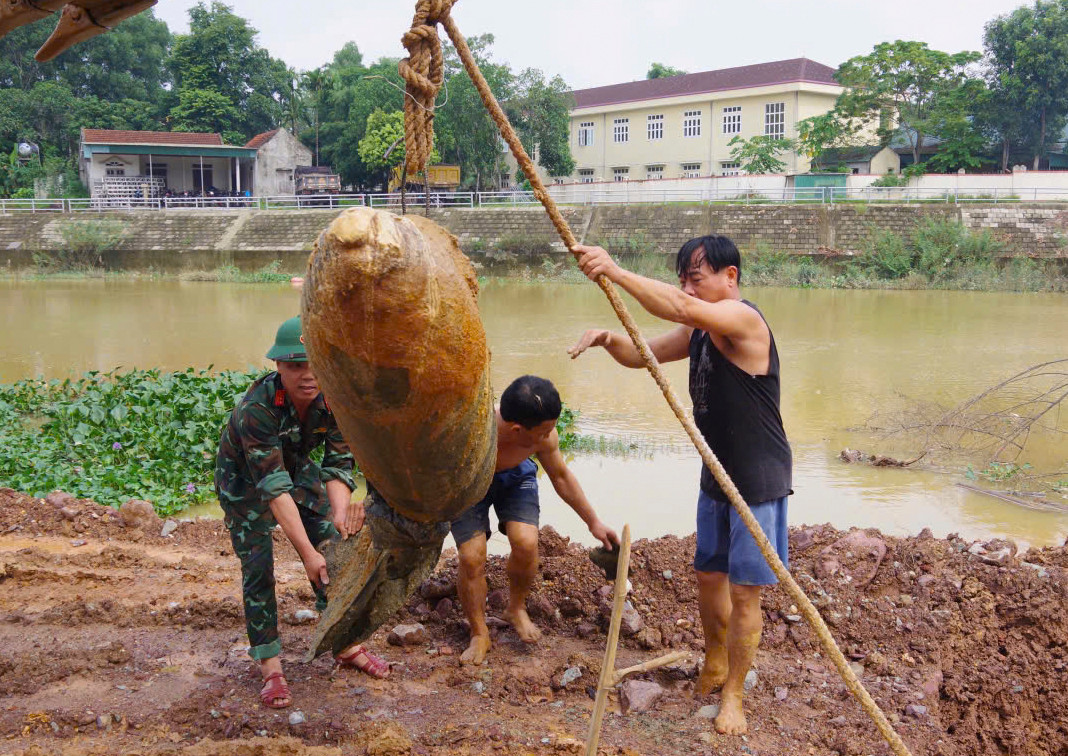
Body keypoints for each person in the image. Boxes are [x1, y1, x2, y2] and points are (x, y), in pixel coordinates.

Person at [567, 236, 792, 736]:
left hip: (756, 480)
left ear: (729, 277)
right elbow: (642, 354)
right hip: (715, 472)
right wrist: (608, 339)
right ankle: (714, 662)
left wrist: (616, 271)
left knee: (746, 593)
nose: (687, 288)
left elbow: (680, 307)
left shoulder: (742, 320)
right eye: (684, 279)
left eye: (697, 277)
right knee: (708, 575)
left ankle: (734, 693)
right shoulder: (698, 334)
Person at [215, 315, 390, 710]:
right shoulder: (256, 409)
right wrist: (306, 554)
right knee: (258, 568)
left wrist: (340, 521)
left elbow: (338, 464)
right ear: (278, 366)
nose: (307, 375)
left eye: (314, 364)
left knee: (334, 543)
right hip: (245, 482)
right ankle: (271, 666)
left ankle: (344, 643)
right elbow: (273, 490)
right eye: (295, 365)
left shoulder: (336, 399)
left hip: (294, 469)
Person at [451, 375, 620, 665]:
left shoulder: (543, 436)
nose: (550, 436)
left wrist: (593, 521)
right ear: (516, 430)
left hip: (516, 478)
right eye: (544, 431)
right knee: (471, 556)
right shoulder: (471, 431)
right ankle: (479, 633)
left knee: (526, 542)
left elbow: (561, 476)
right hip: (468, 480)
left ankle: (515, 607)